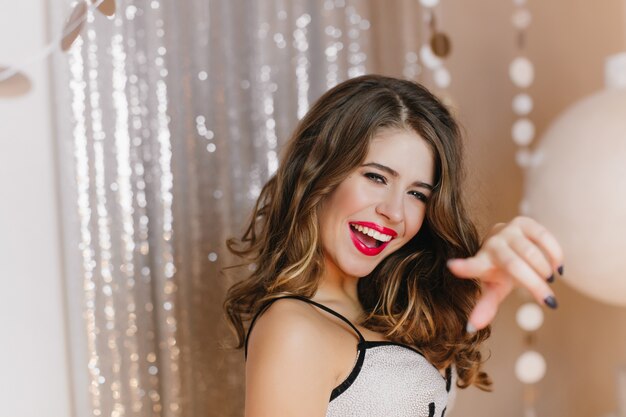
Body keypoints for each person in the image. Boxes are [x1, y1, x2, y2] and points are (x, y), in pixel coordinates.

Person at [223, 74, 563, 417]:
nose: (394, 212)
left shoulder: (403, 307)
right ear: (318, 174)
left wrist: (492, 249)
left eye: (417, 194)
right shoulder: (293, 329)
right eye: (376, 177)